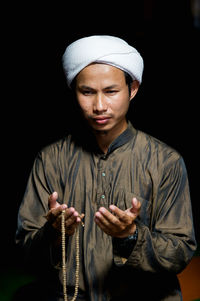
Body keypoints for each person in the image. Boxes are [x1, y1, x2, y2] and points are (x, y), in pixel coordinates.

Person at [15, 35, 196, 301]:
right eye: (87, 92)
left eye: (111, 91)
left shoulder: (165, 161)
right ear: (74, 91)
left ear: (132, 88)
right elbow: (25, 252)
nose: (99, 106)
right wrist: (54, 233)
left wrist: (130, 236)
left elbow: (180, 252)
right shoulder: (50, 160)